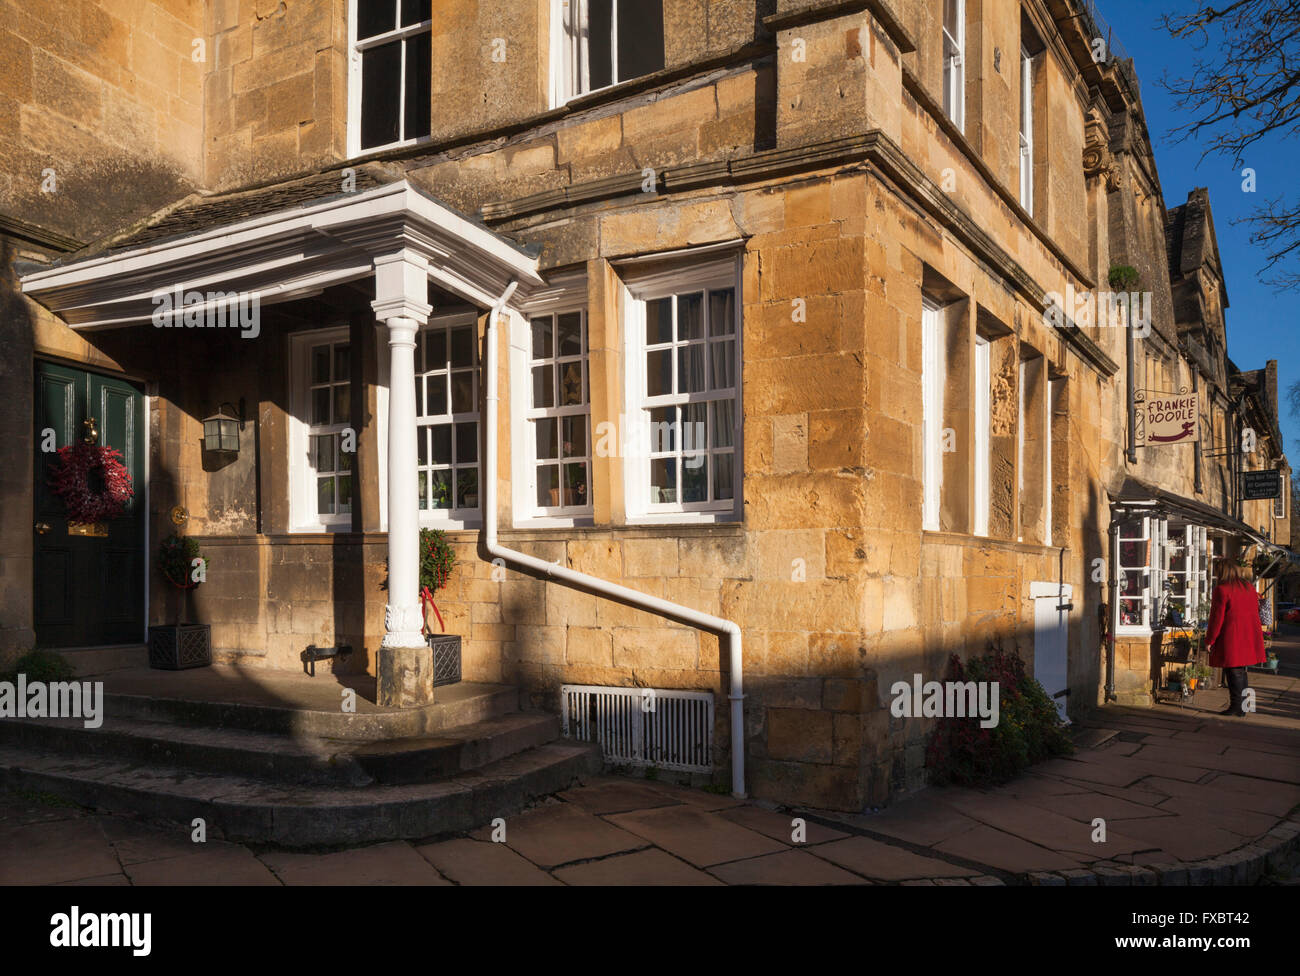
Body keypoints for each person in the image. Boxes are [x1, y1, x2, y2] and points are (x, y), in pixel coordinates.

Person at [1204, 557, 1267, 716]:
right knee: (1241, 671)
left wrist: (1210, 640)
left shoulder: (1222, 589)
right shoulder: (1248, 587)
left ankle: (1236, 707)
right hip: (1249, 634)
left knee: (1233, 672)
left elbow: (1216, 618)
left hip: (1233, 635)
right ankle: (1244, 707)